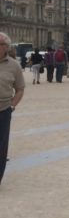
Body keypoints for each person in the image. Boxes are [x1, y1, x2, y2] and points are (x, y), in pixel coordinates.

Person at [0, 32, 25, 189]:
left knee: (1, 147)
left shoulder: (14, 65)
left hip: (3, 110)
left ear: (5, 47)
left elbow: (20, 89)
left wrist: (12, 106)